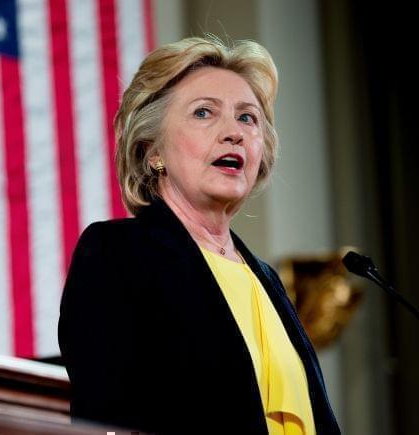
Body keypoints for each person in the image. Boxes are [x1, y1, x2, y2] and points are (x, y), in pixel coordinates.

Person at [58, 35, 341, 435]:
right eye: (204, 113)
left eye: (248, 118)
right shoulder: (117, 254)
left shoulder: (267, 281)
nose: (234, 132)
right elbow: (105, 414)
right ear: (152, 149)